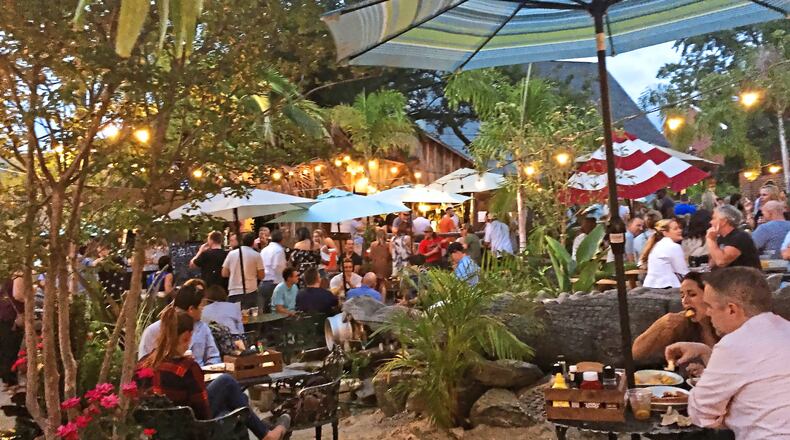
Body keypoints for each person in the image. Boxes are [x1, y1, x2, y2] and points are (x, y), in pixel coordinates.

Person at [665, 267, 790, 440]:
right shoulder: (784, 328)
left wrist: (729, 412)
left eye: (709, 306)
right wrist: (706, 351)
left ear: (732, 309)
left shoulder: (735, 344)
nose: (707, 312)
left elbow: (700, 412)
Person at [136, 308, 289, 440]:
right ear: (187, 336)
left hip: (161, 431)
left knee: (235, 395)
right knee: (228, 384)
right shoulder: (188, 368)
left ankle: (263, 432)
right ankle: (266, 434)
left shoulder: (143, 363)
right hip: (191, 431)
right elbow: (203, 414)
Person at [632, 272, 718, 364]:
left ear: (709, 295)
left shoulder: (725, 323)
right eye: (682, 296)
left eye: (692, 294)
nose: (685, 301)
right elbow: (636, 353)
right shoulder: (681, 323)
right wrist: (660, 325)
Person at [138, 285, 221, 367]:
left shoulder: (203, 328)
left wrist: (209, 369)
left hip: (201, 374)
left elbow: (214, 356)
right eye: (201, 306)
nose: (203, 309)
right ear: (191, 309)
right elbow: (144, 362)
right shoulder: (154, 330)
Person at [706, 205, 761, 270]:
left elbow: (721, 262)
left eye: (714, 218)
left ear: (724, 221)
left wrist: (710, 239)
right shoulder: (721, 238)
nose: (711, 222)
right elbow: (712, 263)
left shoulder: (740, 237)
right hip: (729, 278)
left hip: (746, 278)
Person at [640, 219, 689, 288]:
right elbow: (683, 271)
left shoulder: (657, 244)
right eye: (675, 229)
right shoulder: (673, 246)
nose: (680, 230)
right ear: (665, 233)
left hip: (650, 285)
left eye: (679, 228)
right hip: (667, 287)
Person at [221, 233, 265, 309]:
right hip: (250, 291)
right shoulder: (256, 255)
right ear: (253, 242)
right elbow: (261, 276)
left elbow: (224, 273)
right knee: (251, 318)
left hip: (233, 292)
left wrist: (234, 273)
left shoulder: (231, 254)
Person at [201, 285, 245, 351]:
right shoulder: (233, 306)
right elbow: (240, 328)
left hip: (214, 342)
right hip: (235, 339)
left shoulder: (203, 310)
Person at [0, 274, 24, 391]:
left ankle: (6, 380)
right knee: (11, 349)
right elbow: (18, 295)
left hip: (3, 316)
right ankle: (11, 381)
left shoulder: (5, 278)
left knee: (4, 349)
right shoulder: (18, 275)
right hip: (12, 317)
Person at [259, 229, 286, 309]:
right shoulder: (279, 250)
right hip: (274, 283)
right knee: (275, 310)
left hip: (264, 282)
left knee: (265, 309)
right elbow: (278, 267)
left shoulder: (264, 250)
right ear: (281, 239)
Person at [367, 228, 391, 293]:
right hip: (384, 265)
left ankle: (374, 298)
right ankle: (383, 299)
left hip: (375, 265)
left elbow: (370, 256)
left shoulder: (372, 244)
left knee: (375, 282)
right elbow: (390, 255)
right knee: (382, 283)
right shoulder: (388, 245)